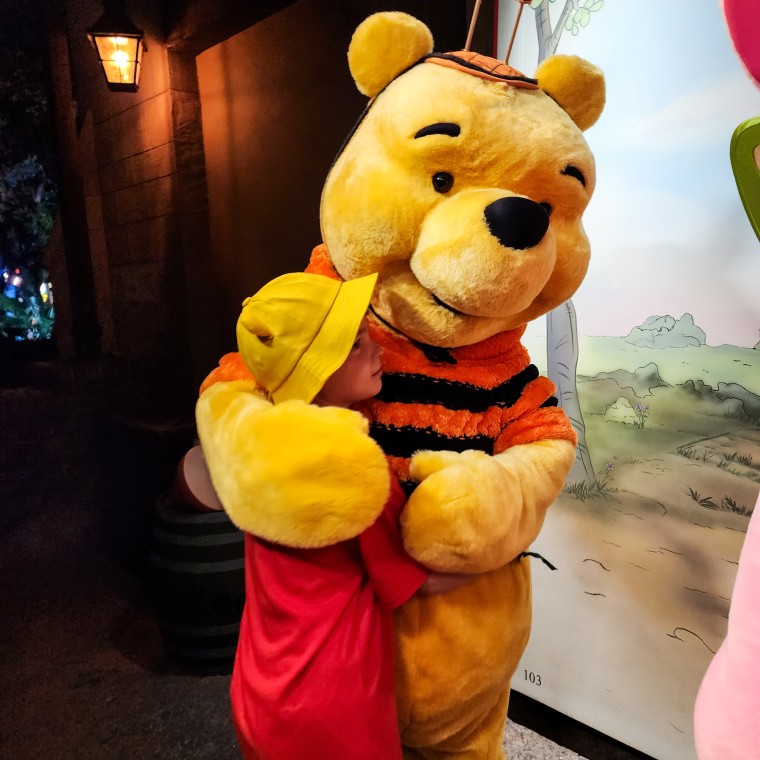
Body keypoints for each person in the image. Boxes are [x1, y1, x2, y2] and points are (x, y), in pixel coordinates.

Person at [227, 272, 469, 760]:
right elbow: (416, 580)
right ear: (317, 368)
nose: (378, 348)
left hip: (260, 692)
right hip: (336, 707)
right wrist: (500, 555)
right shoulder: (356, 469)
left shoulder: (250, 443)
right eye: (357, 342)